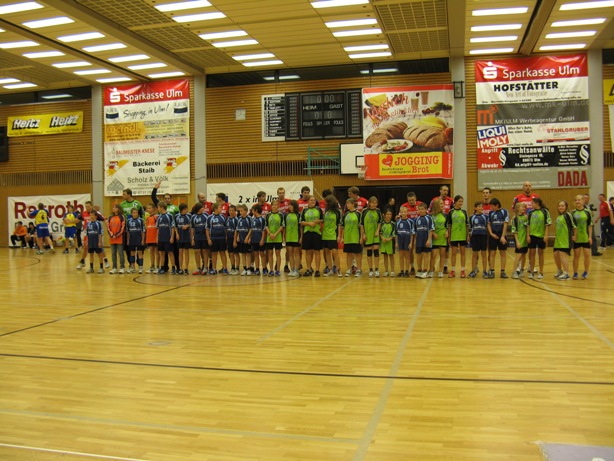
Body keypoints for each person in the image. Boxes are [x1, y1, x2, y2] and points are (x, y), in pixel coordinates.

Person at [527, 197, 551, 280]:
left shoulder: (545, 211)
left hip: (541, 236)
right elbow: (528, 225)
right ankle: (531, 272)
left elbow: (547, 224)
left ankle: (541, 272)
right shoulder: (530, 212)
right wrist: (528, 235)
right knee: (532, 253)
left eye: (532, 203)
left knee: (541, 253)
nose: (531, 204)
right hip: (532, 235)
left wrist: (546, 235)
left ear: (537, 203)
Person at [400, 191, 424, 276]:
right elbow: (401, 216)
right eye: (409, 200)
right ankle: (412, 267)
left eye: (413, 200)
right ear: (407, 200)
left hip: (420, 230)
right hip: (409, 231)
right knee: (410, 250)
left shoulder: (420, 205)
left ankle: (422, 268)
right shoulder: (404, 206)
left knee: (421, 250)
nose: (411, 201)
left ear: (415, 199)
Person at [300, 195, 324, 277]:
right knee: (308, 252)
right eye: (311, 200)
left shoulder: (319, 209)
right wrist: (309, 223)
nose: (313, 201)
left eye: (314, 200)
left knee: (317, 252)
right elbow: (301, 222)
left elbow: (322, 220)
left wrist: (318, 221)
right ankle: (309, 269)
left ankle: (317, 270)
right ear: (308, 201)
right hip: (307, 233)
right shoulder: (304, 210)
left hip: (316, 233)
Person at [486, 198, 509, 279]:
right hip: (493, 235)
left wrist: (502, 236)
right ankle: (492, 271)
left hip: (501, 235)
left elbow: (505, 224)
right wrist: (491, 234)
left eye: (492, 206)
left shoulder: (504, 211)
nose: (491, 208)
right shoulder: (491, 213)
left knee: (503, 253)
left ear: (497, 205)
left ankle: (503, 271)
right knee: (492, 253)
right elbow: (488, 224)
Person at [447, 195, 468, 278]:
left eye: (462, 201)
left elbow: (467, 225)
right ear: (455, 202)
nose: (461, 203)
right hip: (454, 236)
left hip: (462, 235)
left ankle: (462, 270)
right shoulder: (451, 212)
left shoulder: (464, 212)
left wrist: (467, 235)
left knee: (463, 253)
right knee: (453, 253)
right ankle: (453, 270)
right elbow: (449, 225)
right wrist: (449, 236)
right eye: (459, 201)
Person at [553, 200, 575, 281]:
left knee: (563, 255)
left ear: (566, 207)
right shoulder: (559, 217)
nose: (560, 207)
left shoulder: (568, 215)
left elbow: (574, 226)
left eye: (562, 206)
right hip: (558, 240)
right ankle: (559, 270)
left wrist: (574, 236)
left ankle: (566, 273)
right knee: (556, 254)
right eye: (559, 206)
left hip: (565, 239)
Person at [340, 198, 362, 277]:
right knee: (348, 254)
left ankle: (359, 269)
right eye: (347, 204)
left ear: (353, 204)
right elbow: (343, 226)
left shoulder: (358, 214)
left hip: (355, 237)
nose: (347, 205)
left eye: (349, 203)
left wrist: (361, 237)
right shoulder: (345, 214)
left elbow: (361, 227)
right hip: (347, 237)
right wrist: (342, 237)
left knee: (357, 254)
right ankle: (349, 269)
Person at [572, 194, 592, 280]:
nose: (577, 201)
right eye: (576, 200)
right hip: (576, 238)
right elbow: (572, 226)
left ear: (583, 201)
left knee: (587, 255)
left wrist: (590, 237)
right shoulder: (572, 213)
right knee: (576, 255)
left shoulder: (587, 212)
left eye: (579, 200)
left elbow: (590, 225)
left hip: (585, 237)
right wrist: (573, 236)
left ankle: (586, 272)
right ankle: (575, 273)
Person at [361, 196, 382, 278]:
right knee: (369, 252)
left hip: (375, 234)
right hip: (368, 234)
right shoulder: (364, 211)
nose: (374, 204)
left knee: (376, 251)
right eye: (373, 203)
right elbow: (362, 224)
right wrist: (363, 234)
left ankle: (376, 269)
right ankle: (370, 270)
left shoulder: (378, 211)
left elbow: (380, 222)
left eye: (375, 203)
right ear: (369, 203)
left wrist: (377, 230)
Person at [321, 195, 342, 277]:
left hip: (333, 234)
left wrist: (339, 236)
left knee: (335, 252)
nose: (325, 203)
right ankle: (330, 269)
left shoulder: (338, 212)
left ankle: (338, 270)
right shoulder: (326, 211)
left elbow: (339, 224)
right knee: (327, 252)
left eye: (327, 202)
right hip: (325, 234)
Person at [206, 202, 228, 275]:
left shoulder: (223, 217)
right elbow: (207, 229)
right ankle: (214, 269)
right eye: (219, 207)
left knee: (223, 253)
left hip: (222, 238)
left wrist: (226, 237)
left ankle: (225, 268)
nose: (221, 209)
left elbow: (226, 228)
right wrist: (208, 239)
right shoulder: (209, 218)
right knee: (214, 254)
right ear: (215, 209)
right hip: (213, 238)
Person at [468, 201, 488, 279]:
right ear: (475, 208)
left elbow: (487, 226)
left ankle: (485, 271)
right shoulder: (472, 217)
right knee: (474, 254)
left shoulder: (485, 217)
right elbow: (470, 228)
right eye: (479, 206)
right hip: (475, 236)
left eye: (482, 206)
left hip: (483, 236)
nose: (481, 208)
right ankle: (473, 271)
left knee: (484, 254)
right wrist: (469, 236)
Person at [414, 203, 434, 279]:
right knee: (418, 255)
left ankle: (425, 271)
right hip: (419, 240)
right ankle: (419, 270)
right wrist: (415, 241)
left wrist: (429, 240)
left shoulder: (429, 218)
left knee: (426, 255)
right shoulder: (416, 219)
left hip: (426, 240)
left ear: (426, 210)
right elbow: (415, 231)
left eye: (422, 209)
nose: (421, 211)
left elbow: (431, 229)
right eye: (419, 209)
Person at [265, 199, 284, 277]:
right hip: (269, 237)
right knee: (270, 253)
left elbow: (282, 226)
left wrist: (275, 234)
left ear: (278, 206)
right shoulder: (268, 215)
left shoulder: (280, 215)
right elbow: (266, 226)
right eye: (273, 205)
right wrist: (270, 234)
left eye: (276, 205)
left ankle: (278, 270)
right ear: (271, 206)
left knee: (278, 253)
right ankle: (271, 270)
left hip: (277, 237)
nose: (274, 206)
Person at [156, 201, 176, 275]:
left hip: (168, 238)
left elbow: (173, 227)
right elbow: (158, 228)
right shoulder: (159, 217)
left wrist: (172, 237)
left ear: (162, 207)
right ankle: (162, 268)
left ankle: (173, 268)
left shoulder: (169, 216)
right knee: (161, 253)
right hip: (161, 238)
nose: (157, 209)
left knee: (170, 253)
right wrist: (157, 238)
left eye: (158, 207)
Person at [429, 198, 448, 278]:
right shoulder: (431, 216)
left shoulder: (445, 215)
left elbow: (447, 226)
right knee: (433, 255)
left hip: (443, 237)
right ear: (436, 205)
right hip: (434, 238)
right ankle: (431, 270)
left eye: (443, 203)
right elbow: (429, 227)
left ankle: (440, 271)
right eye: (441, 204)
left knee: (442, 254)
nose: (442, 205)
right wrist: (433, 233)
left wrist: (447, 231)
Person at [511, 202, 529, 279]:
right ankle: (514, 272)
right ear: (518, 208)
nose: (524, 208)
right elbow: (514, 231)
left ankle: (522, 270)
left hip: (525, 239)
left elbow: (528, 227)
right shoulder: (515, 219)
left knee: (524, 255)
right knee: (518, 255)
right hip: (519, 239)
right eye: (522, 207)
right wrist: (517, 241)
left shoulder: (526, 217)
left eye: (524, 207)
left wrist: (528, 236)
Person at [247, 204, 266, 275]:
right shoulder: (253, 219)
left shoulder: (262, 219)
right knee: (255, 254)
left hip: (260, 239)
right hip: (254, 239)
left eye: (252, 210)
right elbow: (252, 229)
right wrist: (249, 238)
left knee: (262, 254)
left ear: (256, 210)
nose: (251, 212)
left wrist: (262, 239)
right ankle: (257, 269)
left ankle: (264, 269)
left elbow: (263, 230)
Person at [395, 206, 414, 278]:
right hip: (400, 240)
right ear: (400, 213)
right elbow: (396, 234)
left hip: (407, 240)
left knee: (407, 256)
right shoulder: (398, 222)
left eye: (405, 212)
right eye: (402, 212)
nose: (403, 213)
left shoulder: (410, 222)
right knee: (401, 256)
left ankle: (407, 271)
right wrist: (396, 242)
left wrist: (411, 243)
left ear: (407, 213)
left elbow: (412, 233)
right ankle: (402, 271)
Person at [107, 204, 126, 274]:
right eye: (113, 207)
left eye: (115, 207)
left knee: (120, 253)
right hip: (112, 238)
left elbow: (122, 228)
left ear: (119, 209)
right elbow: (108, 227)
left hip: (119, 238)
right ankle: (114, 267)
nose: (114, 209)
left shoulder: (122, 217)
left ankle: (122, 267)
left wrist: (116, 235)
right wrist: (112, 235)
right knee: (113, 253)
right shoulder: (110, 217)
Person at [190, 202, 208, 275]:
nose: (203, 208)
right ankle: (198, 267)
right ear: (198, 209)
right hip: (197, 237)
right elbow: (192, 228)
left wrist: (208, 238)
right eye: (202, 207)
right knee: (196, 251)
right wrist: (192, 238)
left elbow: (208, 227)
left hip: (204, 237)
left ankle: (205, 267)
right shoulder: (193, 217)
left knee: (204, 251)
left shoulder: (206, 215)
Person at [284, 200, 301, 277]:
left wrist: (301, 237)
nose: (290, 206)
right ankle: (292, 269)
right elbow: (284, 227)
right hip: (288, 237)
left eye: (291, 205)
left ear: (295, 206)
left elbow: (301, 227)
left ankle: (296, 270)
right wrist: (284, 237)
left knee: (296, 253)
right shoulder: (286, 215)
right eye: (289, 205)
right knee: (290, 253)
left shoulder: (298, 215)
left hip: (296, 237)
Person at [126, 207, 146, 274]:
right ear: (131, 213)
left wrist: (143, 240)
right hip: (132, 239)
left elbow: (143, 231)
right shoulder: (128, 221)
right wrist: (128, 240)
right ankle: (132, 267)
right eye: (134, 213)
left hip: (139, 239)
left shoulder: (141, 221)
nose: (135, 214)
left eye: (136, 213)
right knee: (132, 253)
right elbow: (128, 232)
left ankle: (140, 267)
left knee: (140, 253)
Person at [174, 203, 192, 275]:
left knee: (186, 252)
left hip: (187, 236)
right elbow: (175, 226)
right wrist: (177, 234)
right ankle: (180, 268)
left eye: (187, 209)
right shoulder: (176, 216)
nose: (186, 210)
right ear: (181, 210)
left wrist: (187, 225)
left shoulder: (189, 216)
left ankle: (186, 268)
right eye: (185, 209)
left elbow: (192, 224)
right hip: (180, 236)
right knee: (180, 251)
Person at [235, 204, 253, 276]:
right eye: (239, 211)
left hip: (246, 239)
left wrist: (248, 237)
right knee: (242, 253)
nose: (240, 212)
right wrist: (238, 236)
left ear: (246, 211)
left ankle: (249, 268)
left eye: (241, 211)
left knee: (248, 254)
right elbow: (238, 229)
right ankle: (244, 268)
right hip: (241, 239)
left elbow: (251, 229)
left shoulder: (249, 218)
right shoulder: (239, 219)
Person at [379, 209, 395, 277]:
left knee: (391, 256)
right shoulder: (382, 223)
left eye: (390, 214)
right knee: (385, 256)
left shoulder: (393, 224)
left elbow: (394, 233)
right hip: (384, 242)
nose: (389, 216)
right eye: (387, 214)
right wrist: (382, 238)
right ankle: (386, 270)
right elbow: (380, 232)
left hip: (390, 242)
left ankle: (392, 270)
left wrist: (389, 238)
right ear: (384, 215)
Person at [144, 203, 159, 274]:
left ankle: (157, 266)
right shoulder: (147, 218)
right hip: (149, 237)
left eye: (150, 208)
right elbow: (147, 228)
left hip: (155, 237)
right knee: (151, 252)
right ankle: (152, 266)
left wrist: (157, 237)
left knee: (156, 252)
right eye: (147, 208)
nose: (148, 210)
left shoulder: (157, 217)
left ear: (153, 209)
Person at [226, 205, 239, 275]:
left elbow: (237, 231)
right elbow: (226, 229)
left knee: (236, 253)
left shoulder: (236, 220)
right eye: (230, 210)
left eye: (232, 210)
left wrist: (235, 240)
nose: (231, 212)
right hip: (229, 238)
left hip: (235, 238)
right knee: (230, 253)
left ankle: (237, 268)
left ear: (235, 211)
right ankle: (232, 267)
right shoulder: (227, 219)